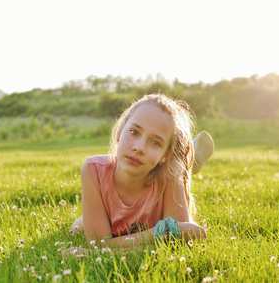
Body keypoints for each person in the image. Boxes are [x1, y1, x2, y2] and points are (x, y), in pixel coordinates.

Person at [70, 94, 214, 251]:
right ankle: (189, 160)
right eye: (134, 132)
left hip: (168, 169)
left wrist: (173, 231)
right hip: (108, 214)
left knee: (175, 168)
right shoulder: (94, 170)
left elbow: (178, 240)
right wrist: (160, 231)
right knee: (75, 229)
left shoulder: (171, 173)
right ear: (119, 131)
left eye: (155, 143)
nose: (139, 148)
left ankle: (186, 162)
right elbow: (99, 246)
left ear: (165, 154)